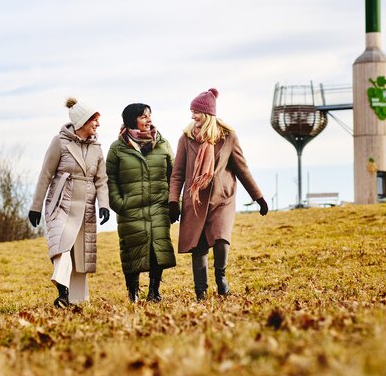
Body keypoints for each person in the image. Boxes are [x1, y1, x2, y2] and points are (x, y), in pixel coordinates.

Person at [169, 88, 268, 301]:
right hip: (195, 200)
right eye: (191, 111)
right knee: (199, 247)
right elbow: (177, 174)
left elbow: (242, 169)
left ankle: (221, 277)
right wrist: (173, 201)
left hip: (222, 199)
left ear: (207, 114)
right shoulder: (186, 139)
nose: (192, 116)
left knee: (222, 238)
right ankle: (200, 291)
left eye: (196, 112)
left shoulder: (228, 137)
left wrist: (258, 197)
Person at [28, 97, 110, 308]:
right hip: (61, 203)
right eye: (95, 120)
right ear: (83, 121)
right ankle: (62, 290)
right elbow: (45, 174)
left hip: (85, 207)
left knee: (81, 253)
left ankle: (76, 299)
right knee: (61, 246)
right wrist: (35, 207)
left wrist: (104, 205)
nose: (98, 125)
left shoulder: (97, 148)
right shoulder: (59, 142)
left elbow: (101, 180)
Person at [106, 103, 177, 303]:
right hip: (130, 210)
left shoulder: (162, 144)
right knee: (131, 253)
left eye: (150, 115)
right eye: (144, 116)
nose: (149, 119)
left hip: (158, 207)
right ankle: (133, 293)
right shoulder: (117, 148)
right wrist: (119, 204)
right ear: (131, 120)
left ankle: (154, 291)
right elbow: (110, 180)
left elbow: (175, 175)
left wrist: (174, 203)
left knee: (158, 250)